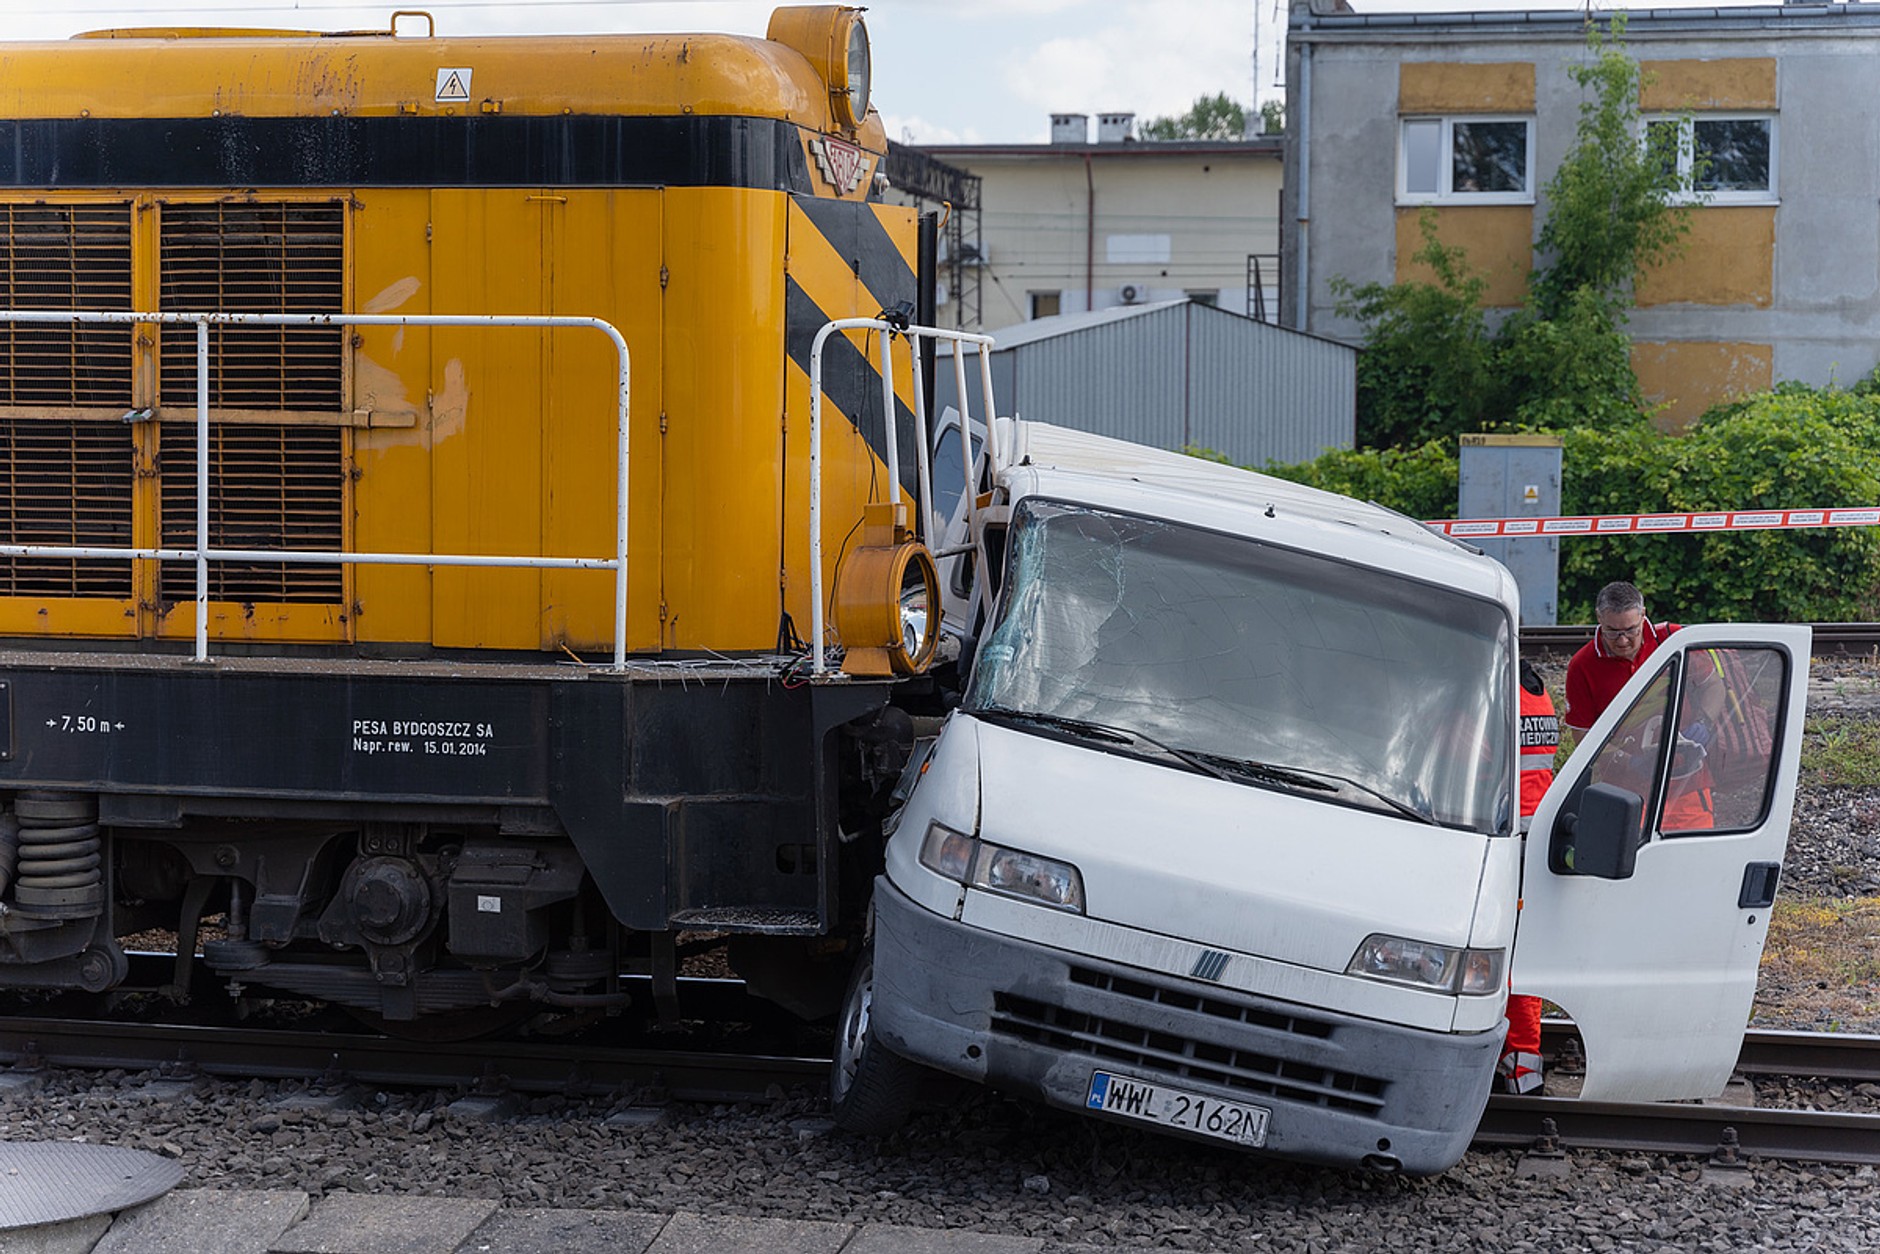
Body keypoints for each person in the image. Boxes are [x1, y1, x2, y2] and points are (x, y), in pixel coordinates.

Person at [1499, 657, 1557, 1095]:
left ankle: (1518, 1068)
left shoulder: (1498, 692)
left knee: (1509, 957)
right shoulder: (1537, 690)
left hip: (1506, 838)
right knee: (1522, 955)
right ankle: (1521, 1065)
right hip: (1533, 832)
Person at [1562, 581, 1681, 732]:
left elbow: (1713, 684)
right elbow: (1582, 733)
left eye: (1631, 630)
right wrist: (1622, 756)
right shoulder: (1582, 665)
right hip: (1625, 753)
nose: (1622, 641)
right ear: (1599, 617)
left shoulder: (1673, 639)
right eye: (1612, 631)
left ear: (1643, 614)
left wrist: (1704, 724)